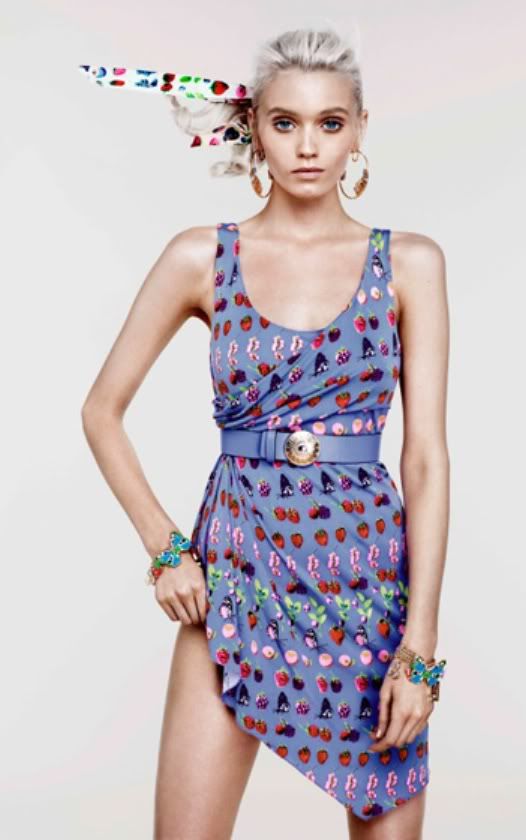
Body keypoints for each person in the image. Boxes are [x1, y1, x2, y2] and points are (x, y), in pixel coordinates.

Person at [81, 26, 450, 840]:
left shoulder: (411, 264)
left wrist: (419, 647)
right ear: (254, 127)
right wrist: (166, 548)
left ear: (359, 128)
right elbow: (101, 410)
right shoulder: (200, 256)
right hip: (236, 576)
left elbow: (424, 459)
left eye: (329, 122)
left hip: (366, 592)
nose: (307, 147)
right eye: (285, 122)